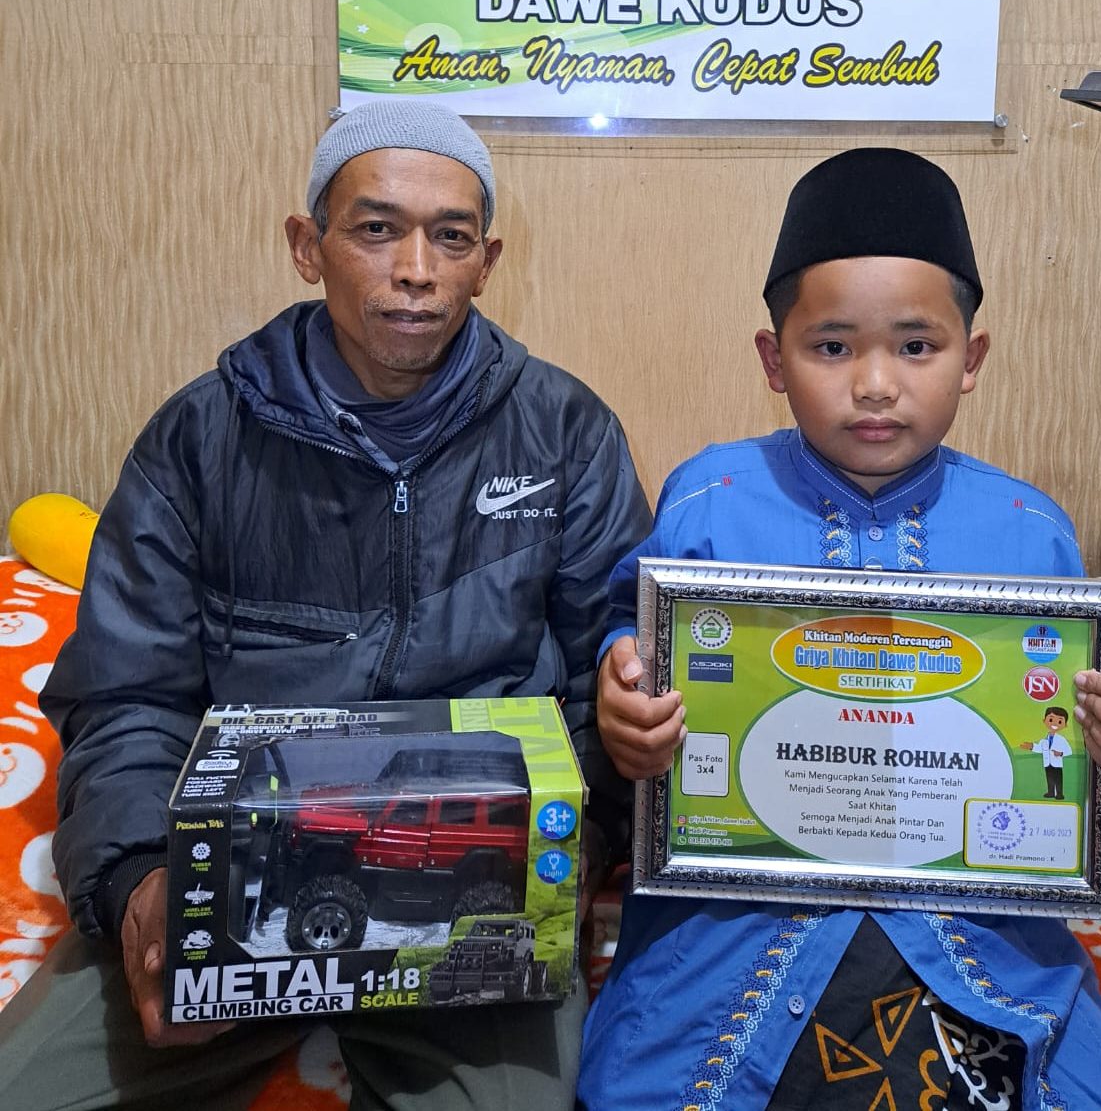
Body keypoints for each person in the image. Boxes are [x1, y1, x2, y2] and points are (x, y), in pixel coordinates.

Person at [0, 98, 650, 1111]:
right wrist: (140, 884)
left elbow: (603, 689)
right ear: (308, 247)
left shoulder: (566, 435)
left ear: (487, 261)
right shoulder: (199, 441)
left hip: (474, 889)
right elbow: (125, 695)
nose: (417, 269)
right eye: (377, 228)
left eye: (451, 237)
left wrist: (567, 851)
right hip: (232, 878)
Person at [579, 148, 1101, 1110]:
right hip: (733, 930)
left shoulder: (1029, 532)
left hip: (977, 934)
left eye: (916, 346)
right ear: (773, 360)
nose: (874, 384)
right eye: (831, 347)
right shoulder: (709, 501)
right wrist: (624, 706)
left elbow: (1069, 742)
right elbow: (629, 637)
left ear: (971, 360)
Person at [1022, 706, 1073, 799]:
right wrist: (1031, 746)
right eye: (1051, 720)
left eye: (1059, 721)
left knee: (1058, 779)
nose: (1054, 724)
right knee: (1049, 778)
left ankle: (1059, 794)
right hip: (1047, 763)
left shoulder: (1061, 739)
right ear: (1044, 720)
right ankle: (1051, 792)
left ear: (1065, 725)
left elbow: (1069, 751)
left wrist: (1060, 753)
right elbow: (1040, 748)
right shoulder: (1044, 740)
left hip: (1057, 764)